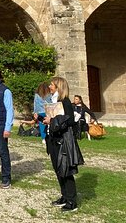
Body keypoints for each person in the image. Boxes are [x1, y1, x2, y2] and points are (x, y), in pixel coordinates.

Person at [44, 77, 84, 212]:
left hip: (62, 140)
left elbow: (70, 120)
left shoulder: (65, 102)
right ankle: (64, 196)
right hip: (53, 139)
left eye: (52, 84)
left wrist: (53, 120)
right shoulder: (54, 101)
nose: (49, 86)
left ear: (58, 87)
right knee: (58, 169)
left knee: (66, 170)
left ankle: (72, 201)